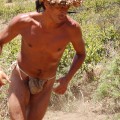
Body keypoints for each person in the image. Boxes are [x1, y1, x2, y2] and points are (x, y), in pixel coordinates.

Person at [0, 0, 86, 119]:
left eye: (66, 7)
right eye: (60, 6)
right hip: (21, 76)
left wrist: (67, 79)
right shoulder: (24, 21)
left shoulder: (72, 28)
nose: (64, 10)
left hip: (46, 82)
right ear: (46, 4)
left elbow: (81, 53)